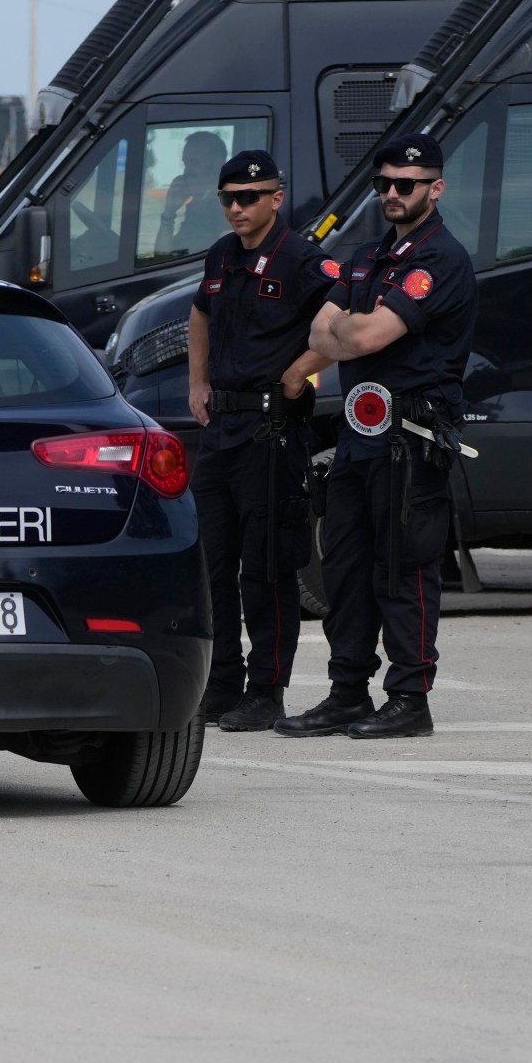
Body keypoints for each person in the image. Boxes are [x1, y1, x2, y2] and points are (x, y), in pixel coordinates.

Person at [277, 132, 478, 740]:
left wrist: (350, 329)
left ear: (435, 188)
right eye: (383, 184)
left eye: (406, 185)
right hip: (361, 439)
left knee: (404, 569)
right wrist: (349, 328)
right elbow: (319, 333)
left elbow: (357, 341)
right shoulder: (368, 256)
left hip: (410, 439)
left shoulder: (439, 260)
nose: (392, 194)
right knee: (344, 568)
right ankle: (347, 693)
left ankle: (410, 698)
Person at [183, 150, 333, 731]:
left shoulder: (302, 260)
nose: (237, 208)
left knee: (266, 566)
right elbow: (200, 314)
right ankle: (220, 686)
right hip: (222, 428)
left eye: (249, 197)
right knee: (211, 563)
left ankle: (266, 690)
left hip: (272, 431)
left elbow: (345, 318)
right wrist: (197, 381)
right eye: (228, 199)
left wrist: (301, 371)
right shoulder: (223, 254)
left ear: (277, 197)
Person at [154, 131, 227, 258]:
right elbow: (161, 258)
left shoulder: (226, 209)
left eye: (195, 163)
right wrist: (169, 212)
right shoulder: (196, 207)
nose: (186, 172)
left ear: (217, 165)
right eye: (185, 164)